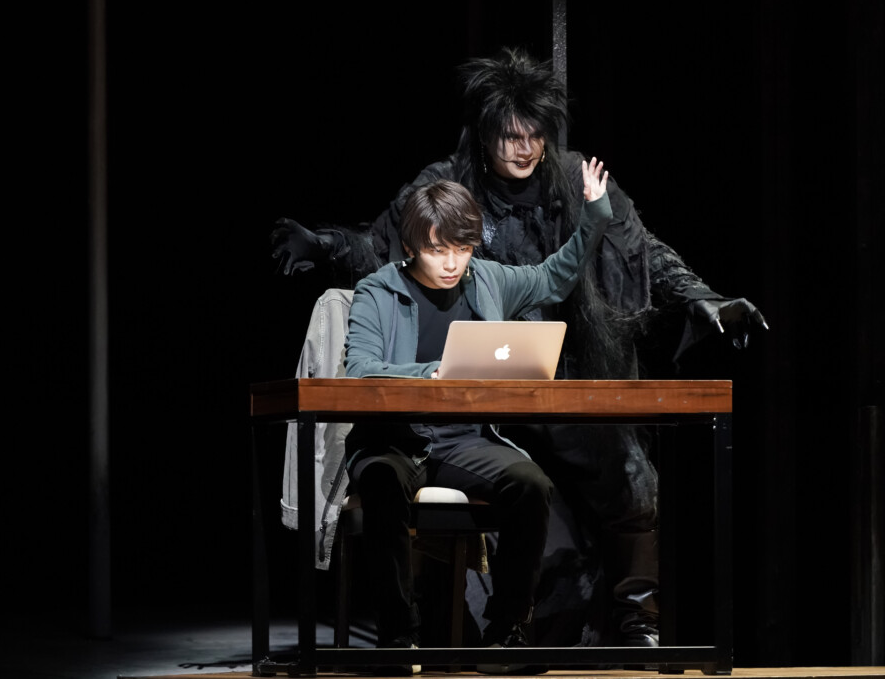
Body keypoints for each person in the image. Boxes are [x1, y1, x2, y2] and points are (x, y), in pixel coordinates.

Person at [272, 47, 768, 647]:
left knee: (632, 482)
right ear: (485, 134)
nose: (525, 147)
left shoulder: (575, 178)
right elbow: (385, 246)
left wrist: (702, 296)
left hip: (571, 371)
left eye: (535, 134)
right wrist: (324, 243)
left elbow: (636, 250)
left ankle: (638, 619)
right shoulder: (449, 184)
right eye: (511, 135)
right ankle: (472, 628)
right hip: (482, 391)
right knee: (508, 505)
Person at [344, 167, 611, 675]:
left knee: (530, 483)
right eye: (437, 250)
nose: (451, 263)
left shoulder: (486, 279)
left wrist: (594, 213)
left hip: (462, 441)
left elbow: (553, 277)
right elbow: (359, 369)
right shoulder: (377, 290)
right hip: (395, 438)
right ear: (411, 246)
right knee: (380, 479)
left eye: (462, 249)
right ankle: (398, 637)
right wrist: (432, 374)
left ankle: (506, 631)